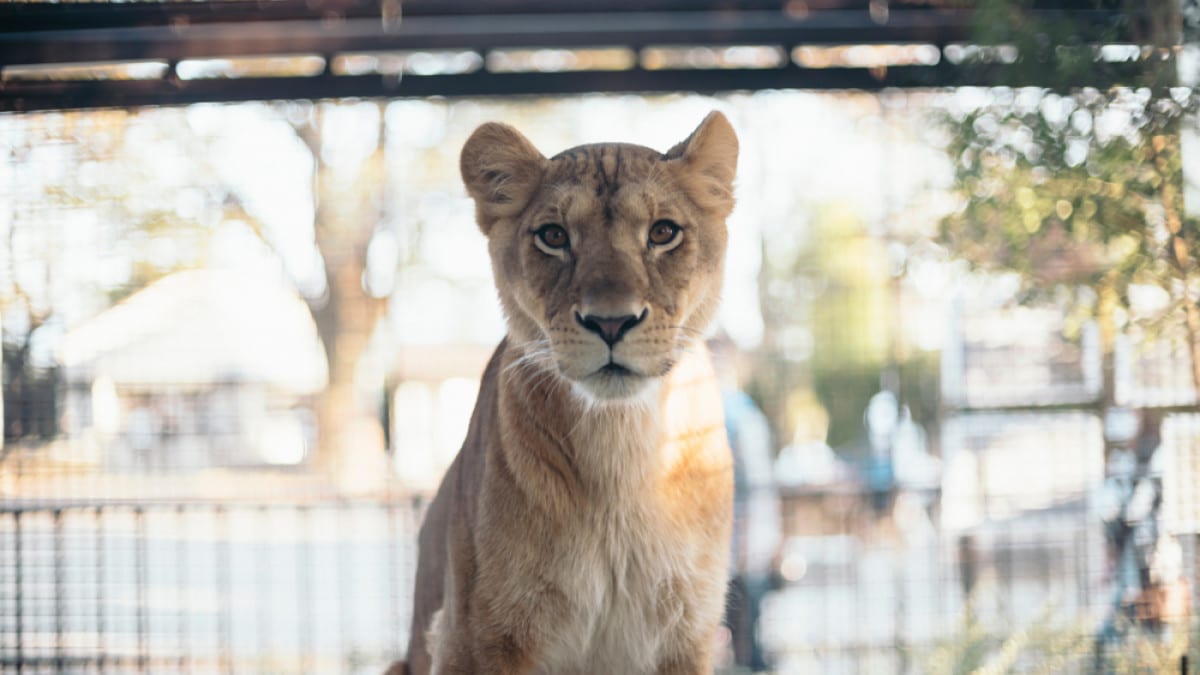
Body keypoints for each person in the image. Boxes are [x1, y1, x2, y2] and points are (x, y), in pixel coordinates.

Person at [710, 337, 781, 672]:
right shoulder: (741, 412)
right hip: (729, 548)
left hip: (736, 549)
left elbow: (755, 486)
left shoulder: (736, 414)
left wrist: (749, 545)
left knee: (743, 639)